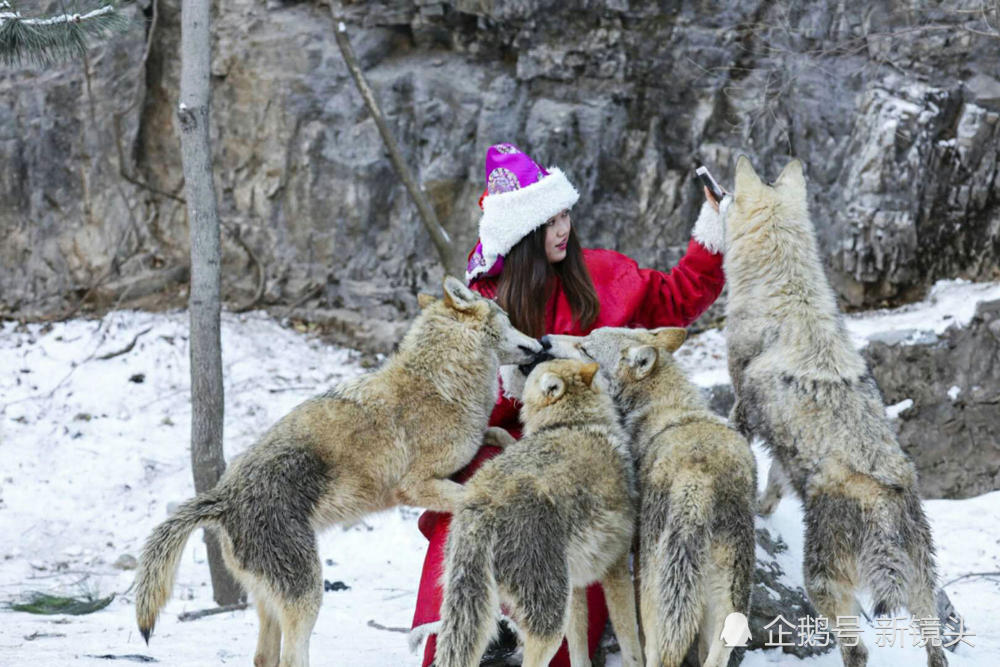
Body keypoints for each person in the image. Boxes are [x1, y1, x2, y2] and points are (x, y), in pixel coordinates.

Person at [410, 143, 727, 667]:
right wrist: (511, 390)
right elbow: (459, 411)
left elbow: (675, 298)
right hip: (512, 449)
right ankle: (472, 638)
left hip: (591, 454)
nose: (563, 228)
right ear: (522, 235)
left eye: (565, 214)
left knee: (572, 531)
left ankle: (540, 644)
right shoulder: (486, 305)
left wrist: (713, 224)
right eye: (549, 220)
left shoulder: (605, 275)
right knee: (470, 499)